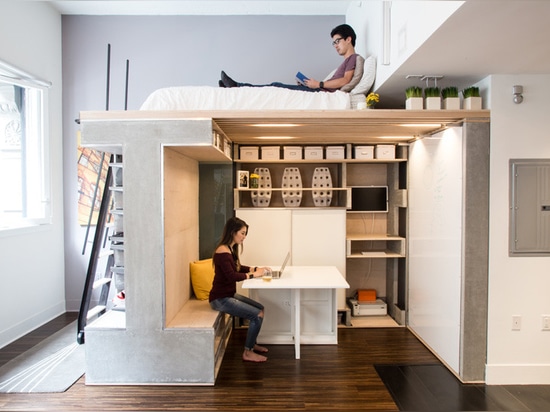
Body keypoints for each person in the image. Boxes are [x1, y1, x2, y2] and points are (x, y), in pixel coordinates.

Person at [219, 24, 359, 93]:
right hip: (317, 89)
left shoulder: (353, 58)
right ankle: (235, 87)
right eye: (333, 43)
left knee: (275, 86)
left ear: (348, 39)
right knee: (276, 85)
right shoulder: (346, 61)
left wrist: (319, 84)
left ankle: (237, 86)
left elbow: (345, 80)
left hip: (318, 91)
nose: (335, 45)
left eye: (337, 41)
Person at [209, 216, 271, 362]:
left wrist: (255, 268)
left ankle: (252, 344)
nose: (244, 237)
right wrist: (253, 274)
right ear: (233, 232)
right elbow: (232, 276)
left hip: (228, 294)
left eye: (245, 234)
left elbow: (237, 267)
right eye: (242, 233)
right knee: (257, 315)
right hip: (220, 299)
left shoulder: (229, 249)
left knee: (260, 309)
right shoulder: (222, 252)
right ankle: (247, 352)